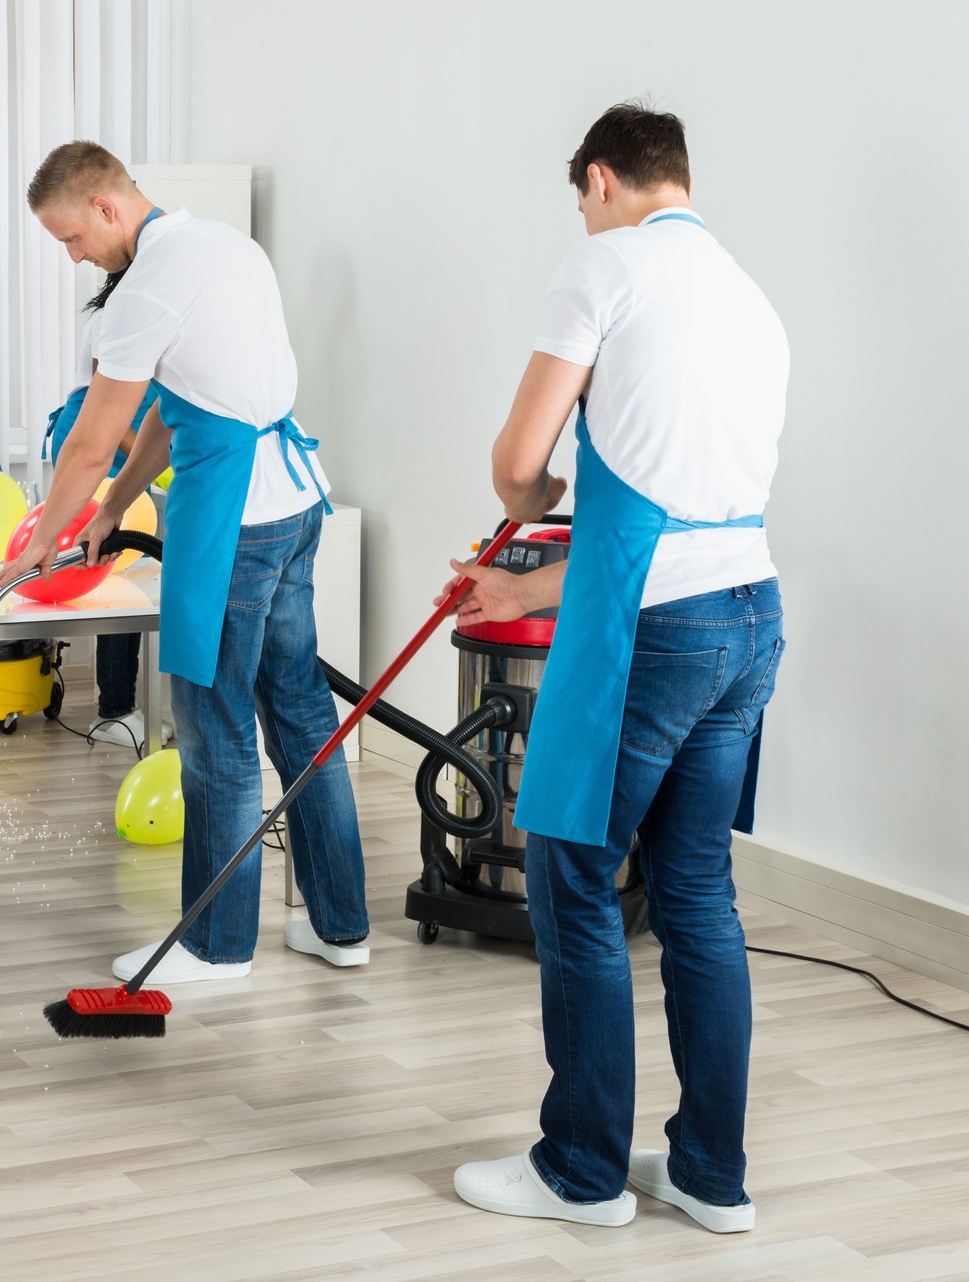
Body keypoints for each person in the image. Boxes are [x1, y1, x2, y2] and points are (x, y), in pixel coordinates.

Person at [447, 104, 787, 1234]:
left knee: (574, 876)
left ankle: (581, 1170)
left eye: (580, 198)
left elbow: (518, 462)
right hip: (747, 613)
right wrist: (529, 589)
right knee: (694, 892)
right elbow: (678, 510)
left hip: (655, 634)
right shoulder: (751, 296)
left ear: (600, 181)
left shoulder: (604, 266)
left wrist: (525, 508)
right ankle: (710, 1174)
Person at [0, 142, 368, 983]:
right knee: (305, 718)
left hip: (234, 524)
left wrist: (41, 542)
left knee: (215, 729)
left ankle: (215, 944)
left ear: (105, 208)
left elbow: (90, 442)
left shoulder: (148, 288)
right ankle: (341, 927)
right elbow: (175, 404)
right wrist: (105, 510)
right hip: (295, 505)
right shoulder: (225, 247)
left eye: (72, 239)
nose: (75, 257)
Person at [42, 271, 169, 748]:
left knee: (125, 574)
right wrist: (149, 461)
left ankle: (120, 706)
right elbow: (107, 413)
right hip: (102, 437)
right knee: (112, 571)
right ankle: (114, 710)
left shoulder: (144, 314)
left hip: (125, 439)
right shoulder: (117, 315)